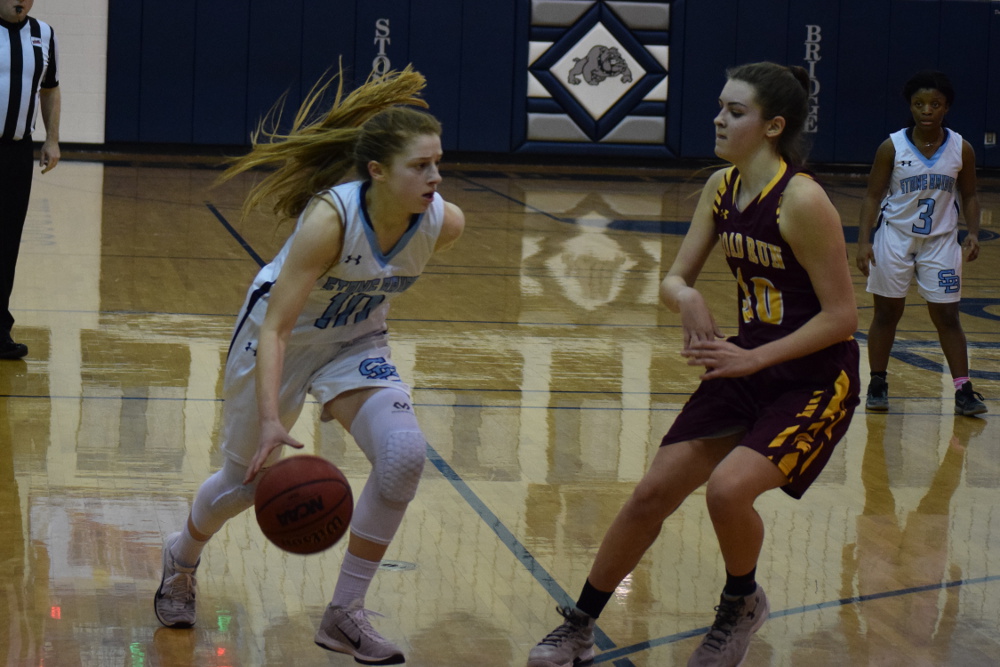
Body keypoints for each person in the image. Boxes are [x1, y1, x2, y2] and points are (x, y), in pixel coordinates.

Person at [526, 61, 860, 667]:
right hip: (743, 364)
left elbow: (842, 317)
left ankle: (741, 603)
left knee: (728, 492)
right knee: (651, 494)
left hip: (813, 376)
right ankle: (578, 625)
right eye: (721, 106)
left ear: (772, 127)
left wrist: (753, 355)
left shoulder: (803, 200)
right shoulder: (721, 186)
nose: (719, 118)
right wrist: (688, 297)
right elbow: (674, 278)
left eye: (735, 111)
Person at [153, 65, 465, 667]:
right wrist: (273, 420)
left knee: (403, 458)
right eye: (420, 167)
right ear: (376, 172)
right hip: (280, 340)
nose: (436, 178)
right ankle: (180, 559)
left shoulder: (441, 223)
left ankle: (344, 614)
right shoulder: (330, 221)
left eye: (438, 163)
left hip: (357, 343)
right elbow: (277, 326)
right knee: (242, 487)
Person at [856, 70, 986, 416]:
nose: (926, 110)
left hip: (941, 241)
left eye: (935, 104)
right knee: (887, 312)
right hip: (895, 239)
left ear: (947, 108)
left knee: (948, 315)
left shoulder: (962, 148)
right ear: (910, 107)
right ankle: (878, 382)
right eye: (919, 103)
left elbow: (970, 195)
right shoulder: (892, 147)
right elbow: (872, 197)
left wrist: (972, 232)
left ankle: (963, 389)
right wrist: (863, 242)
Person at [0, 0, 60, 360]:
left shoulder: (44, 34)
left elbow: (50, 89)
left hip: (16, 154)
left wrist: (52, 139)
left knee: (7, 243)